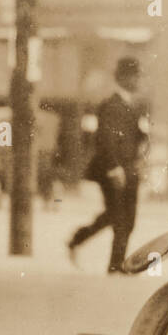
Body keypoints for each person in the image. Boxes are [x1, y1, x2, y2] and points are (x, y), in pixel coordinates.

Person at [67, 56, 149, 274]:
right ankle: (116, 265)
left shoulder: (131, 106)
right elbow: (105, 139)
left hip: (130, 170)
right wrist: (114, 168)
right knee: (120, 217)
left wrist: (142, 151)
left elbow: (138, 137)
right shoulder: (111, 105)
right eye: (136, 75)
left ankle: (79, 240)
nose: (139, 80)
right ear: (124, 77)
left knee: (124, 217)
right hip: (114, 171)